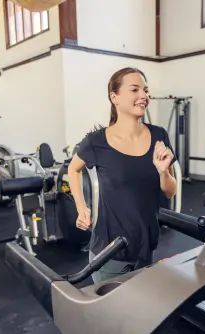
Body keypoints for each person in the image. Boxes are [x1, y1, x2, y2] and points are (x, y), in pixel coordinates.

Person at [67, 67, 178, 283]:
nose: (144, 96)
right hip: (110, 252)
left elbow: (170, 191)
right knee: (114, 316)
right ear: (114, 97)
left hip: (146, 247)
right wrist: (81, 207)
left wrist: (163, 172)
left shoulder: (159, 135)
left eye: (146, 91)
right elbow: (73, 169)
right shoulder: (96, 141)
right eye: (135, 90)